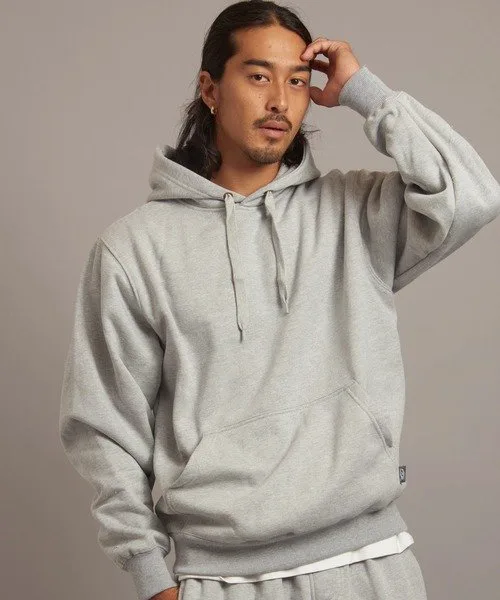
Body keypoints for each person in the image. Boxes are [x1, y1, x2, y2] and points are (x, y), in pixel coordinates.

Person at [58, 2, 500, 600]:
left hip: (372, 566)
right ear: (210, 89)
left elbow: (472, 195)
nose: (280, 101)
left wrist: (364, 92)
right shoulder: (133, 250)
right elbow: (103, 426)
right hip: (220, 578)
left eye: (296, 81)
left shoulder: (356, 213)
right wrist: (151, 577)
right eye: (259, 76)